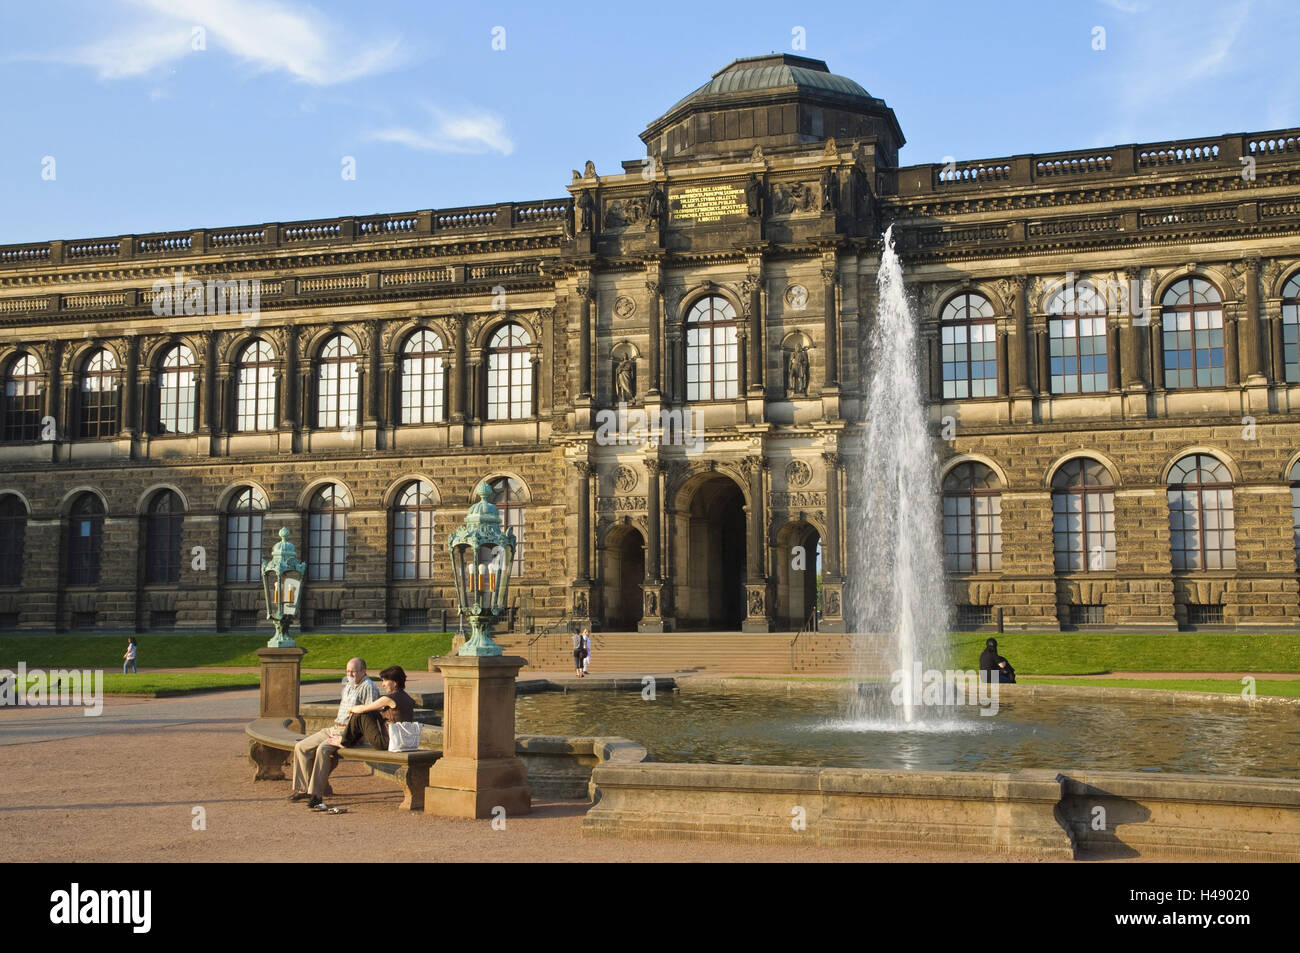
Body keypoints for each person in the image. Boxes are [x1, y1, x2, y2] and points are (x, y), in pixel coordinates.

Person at [290, 658, 377, 808]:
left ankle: (316, 794)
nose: (350, 674)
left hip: (350, 733)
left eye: (353, 671)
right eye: (348, 671)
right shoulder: (349, 685)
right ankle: (303, 788)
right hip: (335, 727)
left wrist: (348, 737)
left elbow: (369, 715)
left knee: (322, 750)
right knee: (301, 747)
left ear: (364, 671)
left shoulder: (368, 687)